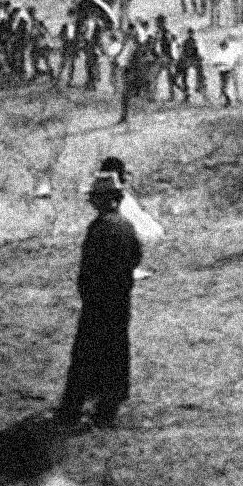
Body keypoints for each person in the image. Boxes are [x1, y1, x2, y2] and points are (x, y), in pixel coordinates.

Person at [53, 174, 143, 429]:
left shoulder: (99, 227)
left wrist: (88, 291)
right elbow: (136, 257)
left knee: (85, 354)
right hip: (120, 299)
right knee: (116, 350)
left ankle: (72, 409)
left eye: (95, 197)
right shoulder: (126, 225)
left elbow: (90, 267)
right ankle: (108, 407)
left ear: (104, 199)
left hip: (97, 302)